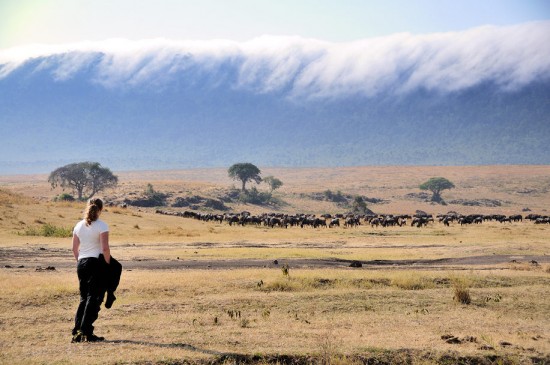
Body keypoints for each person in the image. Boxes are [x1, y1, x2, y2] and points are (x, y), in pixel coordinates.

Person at [71, 198, 111, 343]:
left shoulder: (78, 225)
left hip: (81, 263)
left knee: (83, 298)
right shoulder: (102, 225)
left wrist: (80, 262)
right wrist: (107, 265)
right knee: (93, 298)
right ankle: (86, 331)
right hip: (95, 263)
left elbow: (74, 249)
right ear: (100, 209)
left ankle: (77, 332)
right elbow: (105, 248)